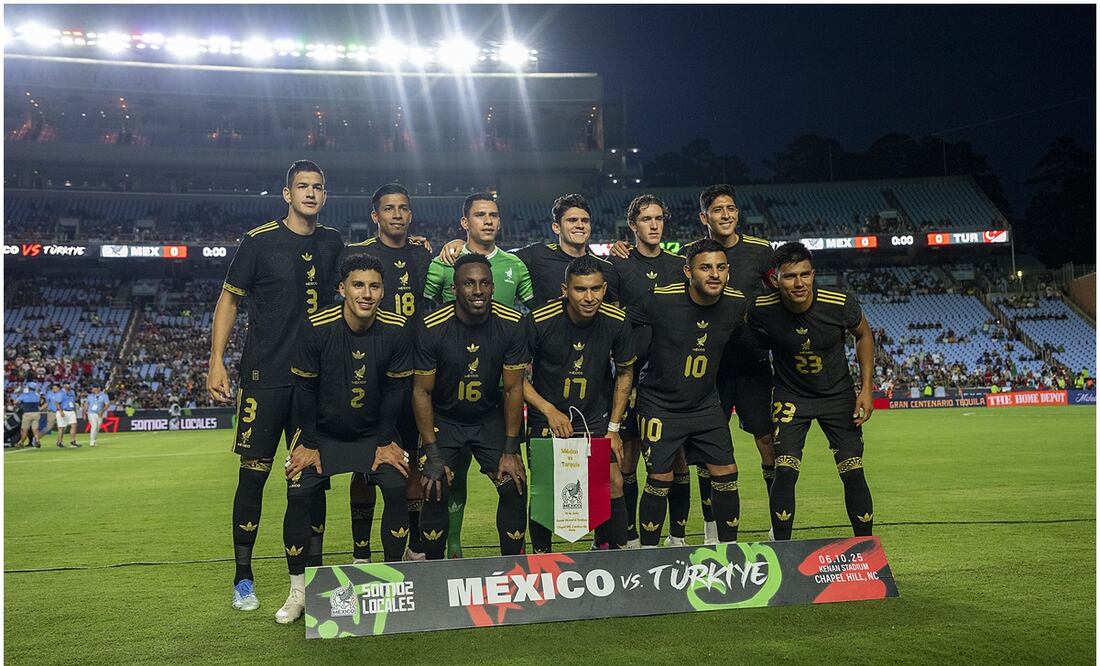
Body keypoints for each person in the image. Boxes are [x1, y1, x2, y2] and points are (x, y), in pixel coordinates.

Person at [207, 160, 344, 613]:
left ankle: (313, 581)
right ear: (287, 194)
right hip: (264, 380)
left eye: (317, 187)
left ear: (325, 195)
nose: (310, 192)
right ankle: (242, 577)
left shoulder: (333, 242)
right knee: (254, 478)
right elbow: (229, 300)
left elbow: (371, 264)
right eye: (302, 186)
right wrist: (216, 360)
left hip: (315, 386)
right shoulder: (259, 241)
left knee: (311, 482)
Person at [278, 254, 414, 624]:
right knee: (298, 490)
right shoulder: (316, 326)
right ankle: (299, 591)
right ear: (342, 288)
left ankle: (390, 584)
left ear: (383, 290)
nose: (366, 293)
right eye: (358, 285)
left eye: (373, 286)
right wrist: (307, 443)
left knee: (397, 484)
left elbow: (395, 392)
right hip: (321, 434)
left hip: (374, 433)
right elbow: (303, 390)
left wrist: (386, 441)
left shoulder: (398, 328)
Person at [423, 193, 534, 558]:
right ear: (453, 288)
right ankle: (435, 573)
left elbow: (514, 387)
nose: (478, 290)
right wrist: (432, 452)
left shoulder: (512, 322)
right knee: (436, 483)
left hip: (489, 415)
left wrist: (510, 448)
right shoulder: (431, 324)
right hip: (446, 417)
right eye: (468, 284)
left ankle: (514, 571)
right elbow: (420, 393)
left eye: (484, 284)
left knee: (514, 483)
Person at [745, 241, 875, 541]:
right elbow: (741, 333)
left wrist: (866, 388)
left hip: (838, 396)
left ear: (813, 274)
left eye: (805, 274)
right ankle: (782, 549)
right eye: (790, 276)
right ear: (775, 279)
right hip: (791, 397)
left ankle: (865, 549)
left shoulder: (839, 302)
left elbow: (864, 335)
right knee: (785, 471)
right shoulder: (760, 308)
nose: (799, 283)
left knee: (852, 470)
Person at [627, 239, 748, 546]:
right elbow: (619, 322)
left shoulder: (736, 304)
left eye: (721, 267)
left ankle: (728, 551)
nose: (714, 274)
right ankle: (648, 555)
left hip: (705, 404)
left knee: (726, 472)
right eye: (705, 267)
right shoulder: (660, 300)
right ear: (687, 271)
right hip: (659, 404)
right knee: (660, 479)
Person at [338, 183, 434, 563]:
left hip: (416, 375)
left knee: (410, 461)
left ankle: (413, 546)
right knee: (363, 468)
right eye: (389, 208)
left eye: (403, 208)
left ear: (410, 215)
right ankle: (362, 554)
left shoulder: (426, 255)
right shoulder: (358, 256)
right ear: (375, 215)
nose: (397, 214)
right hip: (370, 374)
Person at [525, 255, 636, 552]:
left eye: (596, 289)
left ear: (604, 288)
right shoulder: (539, 320)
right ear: (565, 289)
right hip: (547, 417)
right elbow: (513, 378)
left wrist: (614, 427)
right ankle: (542, 557)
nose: (589, 297)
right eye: (580, 290)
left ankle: (611, 553)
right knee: (544, 491)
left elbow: (625, 372)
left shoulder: (617, 321)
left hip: (595, 416)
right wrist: (548, 410)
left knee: (614, 483)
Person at [687, 185, 776, 544]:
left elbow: (777, 297)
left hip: (754, 364)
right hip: (712, 369)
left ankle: (777, 522)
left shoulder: (760, 251)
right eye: (718, 209)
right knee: (709, 449)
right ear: (703, 217)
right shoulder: (698, 254)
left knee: (768, 441)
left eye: (731, 208)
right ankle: (711, 528)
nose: (726, 215)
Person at [606, 195, 688, 547]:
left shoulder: (680, 264)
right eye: (646, 219)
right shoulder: (618, 266)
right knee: (627, 455)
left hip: (671, 376)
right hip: (629, 374)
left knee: (676, 457)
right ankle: (629, 536)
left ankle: (678, 536)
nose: (654, 225)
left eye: (659, 218)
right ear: (633, 225)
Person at [15, 383, 41, 448]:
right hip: (36, 413)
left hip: (27, 414)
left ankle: (21, 442)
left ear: (28, 388)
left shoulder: (24, 395)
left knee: (24, 429)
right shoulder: (37, 395)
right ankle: (37, 440)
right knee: (35, 429)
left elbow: (15, 402)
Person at [55, 382, 80, 448]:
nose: (69, 386)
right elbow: (57, 403)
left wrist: (74, 411)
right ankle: (59, 442)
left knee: (74, 425)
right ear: (64, 385)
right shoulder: (60, 393)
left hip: (71, 410)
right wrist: (61, 412)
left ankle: (73, 441)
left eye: (69, 384)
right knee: (61, 427)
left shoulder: (72, 392)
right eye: (67, 384)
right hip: (63, 410)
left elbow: (73, 402)